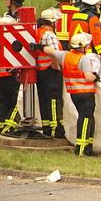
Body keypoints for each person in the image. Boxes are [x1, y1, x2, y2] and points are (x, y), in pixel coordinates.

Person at [45, 32, 100, 156]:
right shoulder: (83, 58)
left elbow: (50, 51)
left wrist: (39, 47)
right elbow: (88, 77)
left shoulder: (65, 55)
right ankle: (81, 148)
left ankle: (88, 147)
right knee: (86, 119)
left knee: (87, 118)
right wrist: (95, 77)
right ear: (82, 47)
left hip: (74, 93)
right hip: (86, 93)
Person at [34, 9, 65, 139]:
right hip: (50, 70)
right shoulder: (49, 35)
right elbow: (54, 53)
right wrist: (57, 66)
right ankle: (56, 129)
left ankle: (47, 128)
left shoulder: (38, 32)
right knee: (54, 100)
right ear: (52, 22)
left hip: (41, 71)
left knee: (44, 100)